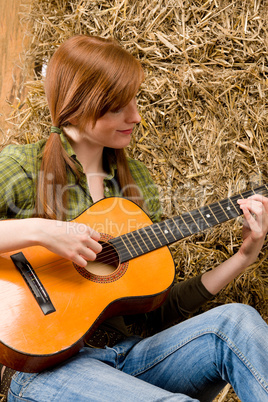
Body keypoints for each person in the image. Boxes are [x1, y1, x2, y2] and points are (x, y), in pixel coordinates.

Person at [0, 35, 267, 402]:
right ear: (77, 106)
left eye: (135, 101)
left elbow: (154, 311)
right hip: (48, 372)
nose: (136, 117)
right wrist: (41, 230)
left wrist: (243, 257)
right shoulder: (22, 168)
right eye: (117, 107)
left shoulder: (136, 184)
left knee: (238, 321)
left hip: (132, 359)